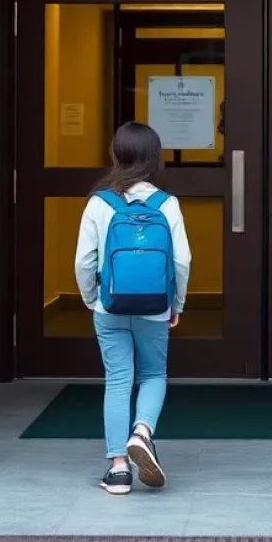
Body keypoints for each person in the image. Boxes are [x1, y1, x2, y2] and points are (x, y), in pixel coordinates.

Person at [75, 122, 192, 496]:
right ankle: (142, 431)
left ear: (117, 155)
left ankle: (118, 469)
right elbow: (182, 261)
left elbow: (84, 260)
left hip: (110, 306)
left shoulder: (99, 203)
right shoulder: (167, 204)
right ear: (154, 157)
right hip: (155, 308)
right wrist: (177, 303)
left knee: (118, 380)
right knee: (155, 373)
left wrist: (92, 298)